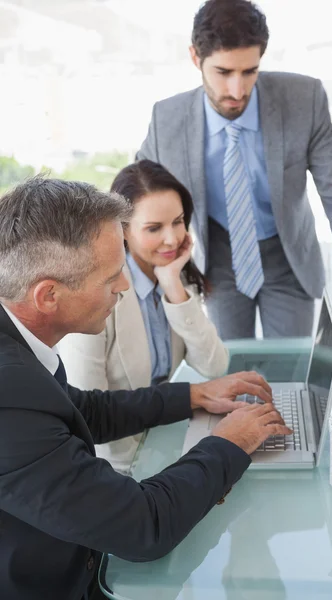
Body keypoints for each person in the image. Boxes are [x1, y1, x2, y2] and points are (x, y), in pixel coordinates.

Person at [0, 176, 292, 600]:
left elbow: (82, 410)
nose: (124, 287)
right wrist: (229, 442)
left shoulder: (18, 345)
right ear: (48, 296)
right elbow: (144, 528)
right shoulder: (8, 398)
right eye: (112, 277)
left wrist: (194, 395)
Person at [137, 0, 332, 348]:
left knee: (294, 366)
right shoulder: (167, 120)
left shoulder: (304, 99)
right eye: (223, 72)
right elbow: (134, 198)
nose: (237, 91)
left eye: (249, 71)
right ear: (196, 58)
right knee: (229, 370)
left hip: (288, 256)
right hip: (218, 260)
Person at [59, 160, 229, 473]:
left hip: (166, 438)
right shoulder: (98, 295)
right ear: (122, 229)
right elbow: (83, 413)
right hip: (121, 461)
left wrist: (172, 286)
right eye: (154, 228)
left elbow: (213, 364)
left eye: (178, 222)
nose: (172, 239)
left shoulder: (174, 274)